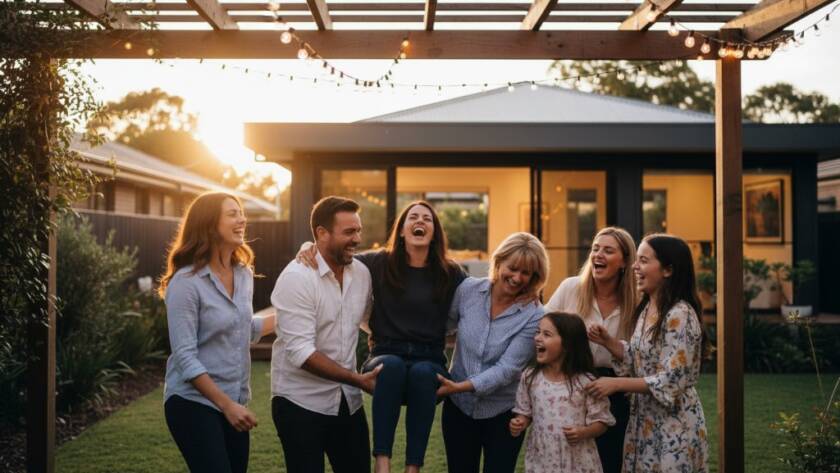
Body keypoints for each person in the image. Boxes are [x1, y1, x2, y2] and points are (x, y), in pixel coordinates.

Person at [297, 200, 466, 473]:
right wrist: (309, 247)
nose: (420, 222)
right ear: (401, 230)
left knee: (423, 373)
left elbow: (476, 299)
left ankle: (413, 467)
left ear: (434, 232)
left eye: (427, 219)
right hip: (386, 353)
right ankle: (382, 461)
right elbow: (337, 254)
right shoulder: (377, 262)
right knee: (393, 366)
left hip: (429, 357)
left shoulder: (451, 272)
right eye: (413, 217)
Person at [159, 192, 275, 473]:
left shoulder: (244, 274)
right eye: (232, 214)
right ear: (209, 224)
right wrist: (226, 406)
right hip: (192, 402)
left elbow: (244, 331)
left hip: (234, 400)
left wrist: (294, 311)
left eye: (241, 212)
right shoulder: (186, 283)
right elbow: (185, 357)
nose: (242, 219)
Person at [270, 196, 381, 473]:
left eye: (358, 230)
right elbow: (301, 353)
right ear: (321, 233)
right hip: (299, 402)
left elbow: (369, 322)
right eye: (348, 232)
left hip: (347, 402)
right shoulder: (297, 278)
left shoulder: (362, 274)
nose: (357, 238)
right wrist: (356, 379)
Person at [587, 234, 709, 473]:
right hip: (644, 424)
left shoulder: (680, 314)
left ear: (667, 270)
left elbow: (671, 378)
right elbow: (640, 358)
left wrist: (617, 384)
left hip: (674, 426)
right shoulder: (647, 308)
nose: (635, 266)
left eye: (643, 261)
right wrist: (609, 341)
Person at [437, 232, 548, 473]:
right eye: (513, 268)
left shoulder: (535, 315)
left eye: (526, 273)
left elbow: (508, 369)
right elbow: (443, 328)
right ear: (498, 262)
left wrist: (460, 386)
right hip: (458, 409)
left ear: (534, 277)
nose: (517, 278)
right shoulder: (467, 290)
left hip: (503, 413)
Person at [544, 227, 636, 473]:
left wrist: (609, 343)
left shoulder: (636, 301)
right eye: (595, 248)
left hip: (616, 391)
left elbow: (640, 356)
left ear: (625, 261)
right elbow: (543, 328)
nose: (598, 255)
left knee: (610, 460)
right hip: (570, 386)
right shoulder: (570, 288)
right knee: (568, 460)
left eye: (608, 250)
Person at [509, 312, 615, 473]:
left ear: (567, 344)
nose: (537, 338)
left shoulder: (586, 382)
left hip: (577, 460)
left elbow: (602, 421)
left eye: (546, 334)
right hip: (542, 458)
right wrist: (520, 422)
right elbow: (525, 412)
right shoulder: (530, 377)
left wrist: (584, 432)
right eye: (538, 332)